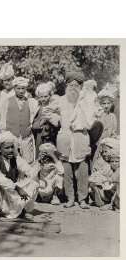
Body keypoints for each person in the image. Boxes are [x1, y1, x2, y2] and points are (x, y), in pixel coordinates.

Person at [50, 71, 91, 209]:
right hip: (65, 138)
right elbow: (47, 111)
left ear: (80, 87)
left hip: (81, 137)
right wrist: (56, 121)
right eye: (71, 85)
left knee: (82, 171)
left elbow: (93, 118)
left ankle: (83, 199)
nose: (73, 88)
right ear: (66, 86)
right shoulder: (60, 100)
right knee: (67, 170)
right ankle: (70, 198)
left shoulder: (86, 101)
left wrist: (83, 124)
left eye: (76, 85)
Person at [0, 131, 39, 219]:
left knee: (33, 183)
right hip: (0, 195)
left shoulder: (16, 159)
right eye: (7, 148)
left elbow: (30, 172)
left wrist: (39, 163)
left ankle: (23, 210)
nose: (10, 150)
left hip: (10, 196)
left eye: (12, 147)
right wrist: (17, 187)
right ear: (0, 149)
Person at [1, 77, 38, 164]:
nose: (21, 91)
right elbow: (3, 119)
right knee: (13, 160)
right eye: (18, 88)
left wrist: (30, 127)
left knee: (27, 161)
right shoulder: (7, 101)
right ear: (14, 88)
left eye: (23, 88)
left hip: (26, 137)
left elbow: (32, 117)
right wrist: (4, 135)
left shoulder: (30, 102)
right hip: (12, 136)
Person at [89, 137, 119, 210]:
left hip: (114, 190)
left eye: (106, 151)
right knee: (92, 185)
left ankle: (111, 203)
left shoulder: (117, 163)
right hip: (106, 189)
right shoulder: (103, 163)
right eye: (103, 152)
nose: (104, 154)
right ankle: (101, 200)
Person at [32, 82, 60, 156]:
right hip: (40, 138)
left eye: (45, 96)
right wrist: (42, 122)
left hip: (52, 138)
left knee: (52, 157)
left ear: (50, 96)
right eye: (41, 97)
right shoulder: (37, 108)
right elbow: (33, 125)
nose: (43, 99)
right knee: (41, 157)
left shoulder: (54, 107)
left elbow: (59, 123)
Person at [0, 63, 16, 132]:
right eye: (4, 80)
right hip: (3, 128)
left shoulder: (16, 93)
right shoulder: (2, 93)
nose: (6, 83)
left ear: (12, 79)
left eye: (8, 80)